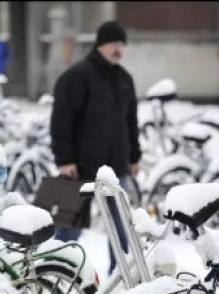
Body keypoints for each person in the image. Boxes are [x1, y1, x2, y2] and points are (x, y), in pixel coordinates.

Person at [49, 20, 141, 276]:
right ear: (100, 45)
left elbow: (130, 121)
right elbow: (61, 120)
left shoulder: (125, 79)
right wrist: (65, 159)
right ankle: (54, 277)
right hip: (79, 168)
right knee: (68, 231)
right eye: (113, 43)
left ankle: (118, 281)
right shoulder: (76, 77)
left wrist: (134, 157)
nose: (118, 49)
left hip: (115, 169)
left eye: (122, 44)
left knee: (120, 229)